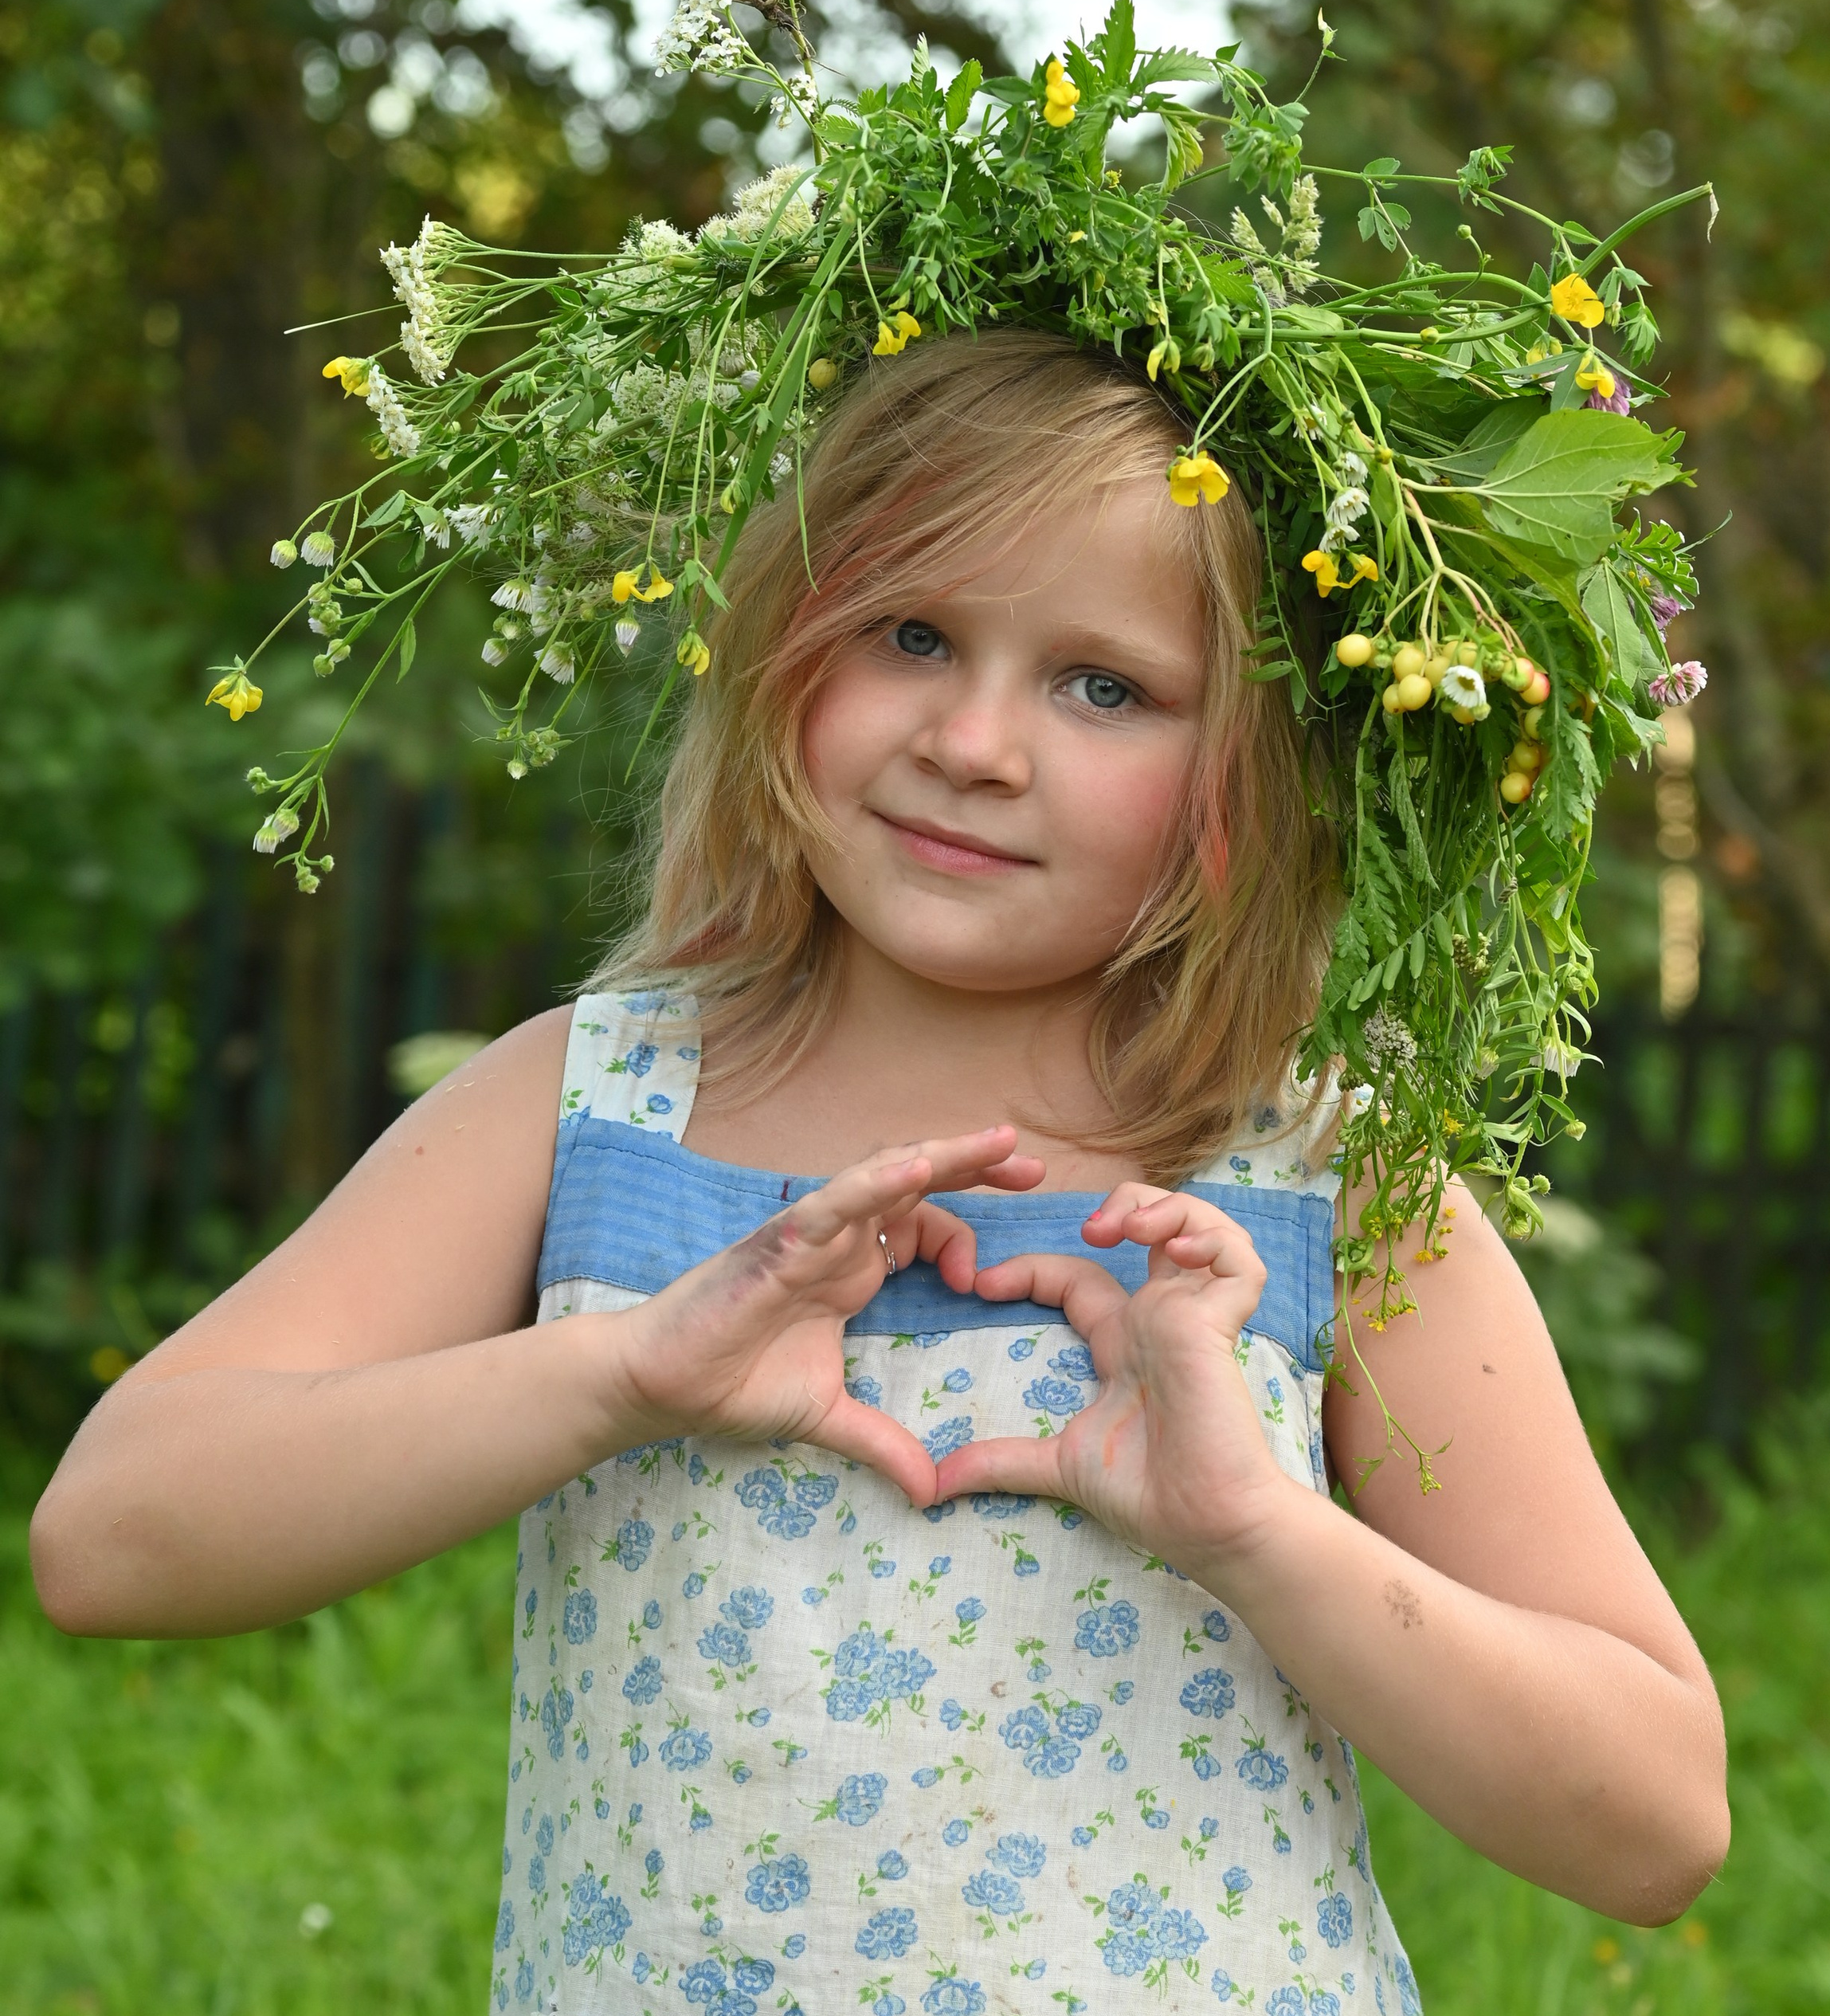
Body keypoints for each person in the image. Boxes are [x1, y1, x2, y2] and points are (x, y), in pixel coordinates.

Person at [31, 331, 1727, 2015]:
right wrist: (615, 1372)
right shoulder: (595, 1104)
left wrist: (1254, 1530)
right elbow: (113, 1540)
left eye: (1102, 684)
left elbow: (1651, 1819)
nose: (975, 741)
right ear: (786, 646)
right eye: (911, 632)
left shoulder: (1316, 1185)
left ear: (1253, 773)